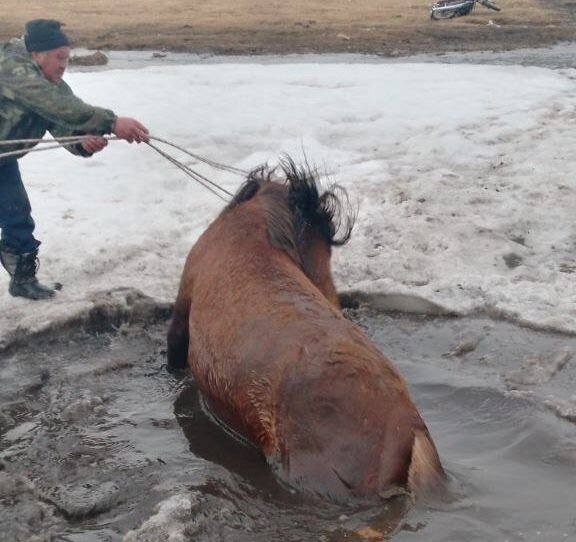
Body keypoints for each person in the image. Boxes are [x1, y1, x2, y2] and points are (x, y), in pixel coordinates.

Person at [0, 19, 149, 300]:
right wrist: (113, 121)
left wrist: (82, 142)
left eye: (67, 58)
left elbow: (61, 120)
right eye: (59, 57)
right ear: (37, 54)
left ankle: (22, 280)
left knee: (17, 216)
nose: (63, 64)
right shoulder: (13, 68)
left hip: (2, 160)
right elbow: (54, 104)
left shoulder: (47, 81)